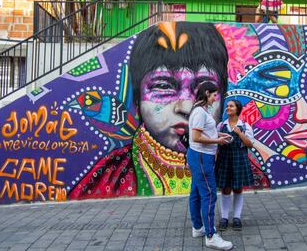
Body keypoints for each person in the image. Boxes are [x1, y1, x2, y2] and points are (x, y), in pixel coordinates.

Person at [68, 21, 229, 199]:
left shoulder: (235, 165)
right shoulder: (108, 179)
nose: (186, 107)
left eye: (205, 92)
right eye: (162, 86)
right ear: (137, 102)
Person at [188, 81, 233, 250]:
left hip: (198, 156)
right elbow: (196, 137)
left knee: (197, 193)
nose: (215, 99)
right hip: (202, 157)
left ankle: (198, 227)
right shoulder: (200, 112)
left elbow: (202, 132)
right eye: (214, 95)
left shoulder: (198, 109)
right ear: (207, 93)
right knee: (209, 194)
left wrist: (218, 134)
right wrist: (217, 141)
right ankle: (211, 236)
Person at [215, 100, 255, 231]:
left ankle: (237, 218)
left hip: (239, 159)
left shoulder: (245, 126)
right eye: (227, 106)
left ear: (237, 109)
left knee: (238, 189)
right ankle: (224, 218)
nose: (228, 108)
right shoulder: (221, 126)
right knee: (225, 189)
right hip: (224, 159)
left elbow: (249, 144)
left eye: (231, 106)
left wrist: (239, 133)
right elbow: (215, 143)